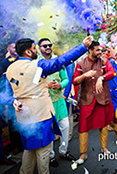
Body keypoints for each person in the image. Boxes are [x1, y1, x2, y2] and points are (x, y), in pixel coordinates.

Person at [6, 37, 91, 174]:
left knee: (29, 150)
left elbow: (12, 92)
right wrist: (83, 46)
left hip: (24, 117)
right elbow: (60, 61)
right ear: (28, 52)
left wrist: (13, 102)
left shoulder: (11, 68)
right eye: (34, 48)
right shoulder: (37, 65)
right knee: (43, 153)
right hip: (40, 115)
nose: (36, 51)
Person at [72, 41, 116, 164]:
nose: (99, 53)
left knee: (103, 125)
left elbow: (113, 72)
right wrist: (84, 75)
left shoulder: (104, 61)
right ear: (90, 51)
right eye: (97, 50)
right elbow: (75, 81)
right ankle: (83, 154)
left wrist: (101, 78)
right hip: (87, 100)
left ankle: (104, 148)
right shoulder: (81, 64)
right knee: (83, 127)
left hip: (102, 99)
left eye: (100, 50)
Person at [38, 38, 75, 167]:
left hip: (59, 100)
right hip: (45, 102)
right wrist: (46, 85)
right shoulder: (37, 63)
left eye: (49, 45)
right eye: (44, 46)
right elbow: (33, 83)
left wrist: (61, 85)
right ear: (39, 48)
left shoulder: (57, 61)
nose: (48, 47)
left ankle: (63, 151)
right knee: (49, 130)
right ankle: (51, 156)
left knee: (65, 127)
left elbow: (65, 79)